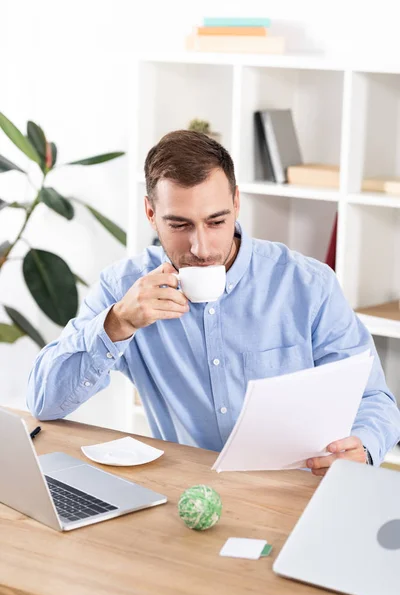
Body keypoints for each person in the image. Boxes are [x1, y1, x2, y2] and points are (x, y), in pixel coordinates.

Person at [27, 130, 400, 476]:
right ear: (151, 214)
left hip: (296, 494)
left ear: (237, 203)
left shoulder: (307, 284)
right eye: (179, 225)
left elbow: (374, 398)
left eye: (216, 221)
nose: (201, 248)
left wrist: (363, 448)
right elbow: (45, 403)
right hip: (188, 498)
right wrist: (117, 324)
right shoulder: (124, 289)